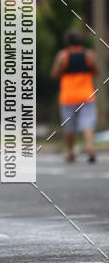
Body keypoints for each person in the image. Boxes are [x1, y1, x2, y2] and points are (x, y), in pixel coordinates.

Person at [50, 29, 98, 163]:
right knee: (88, 123)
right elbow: (96, 71)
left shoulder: (63, 56)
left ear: (68, 42)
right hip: (87, 95)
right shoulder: (89, 55)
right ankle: (90, 147)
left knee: (69, 126)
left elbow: (54, 74)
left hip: (68, 97)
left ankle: (71, 152)